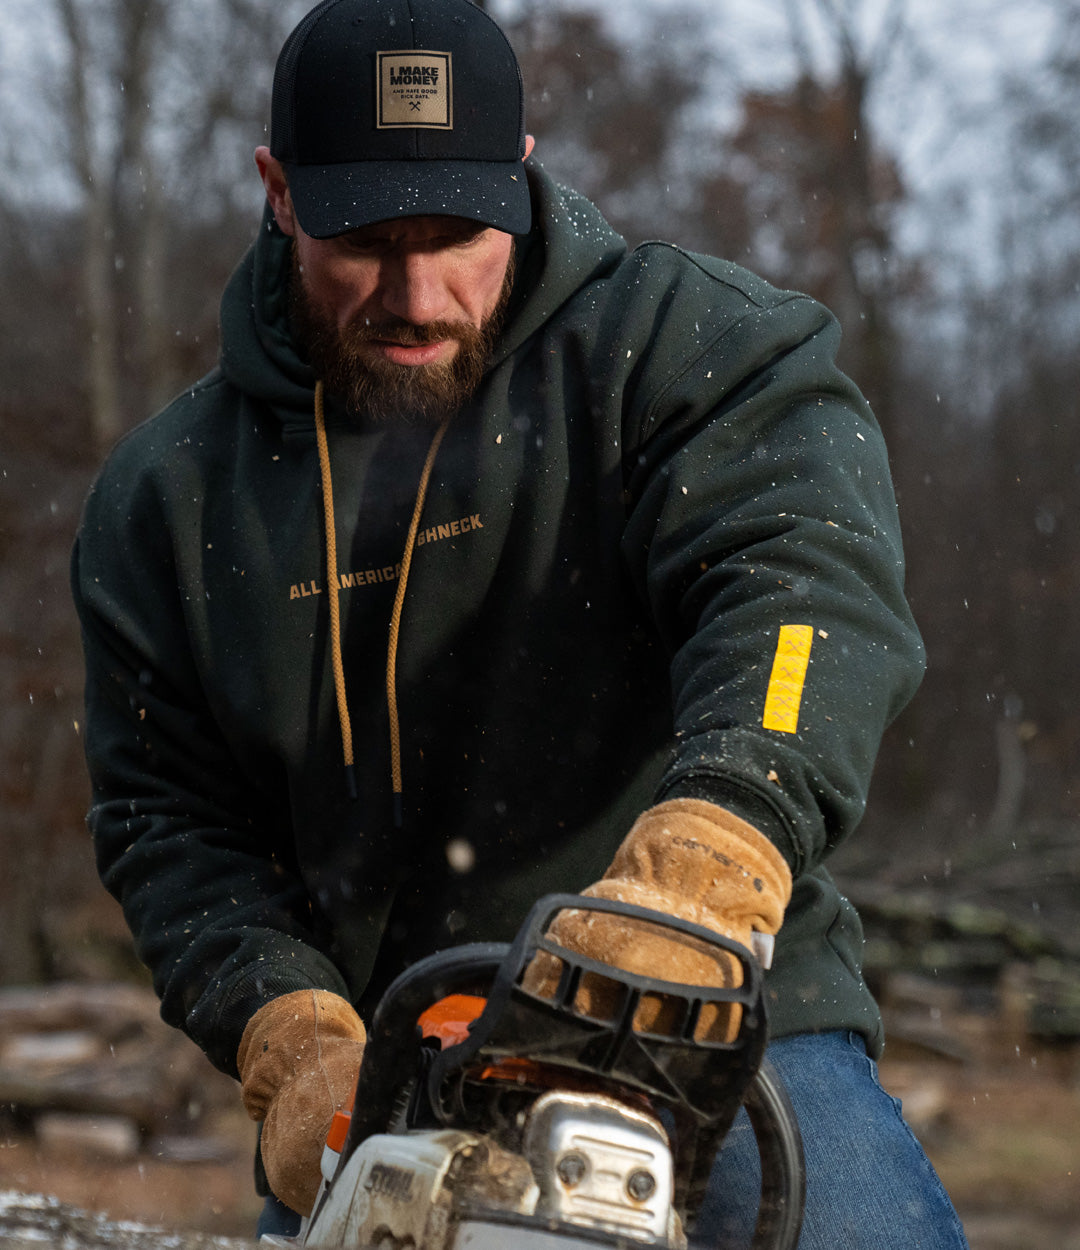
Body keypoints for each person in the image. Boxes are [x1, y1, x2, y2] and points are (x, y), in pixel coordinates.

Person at [70, 0, 968, 1245]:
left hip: (718, 1002)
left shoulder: (687, 351)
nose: (417, 294)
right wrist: (286, 1030)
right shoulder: (166, 501)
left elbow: (802, 597)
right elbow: (166, 822)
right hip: (393, 1067)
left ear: (523, 170)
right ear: (278, 192)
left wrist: (716, 850)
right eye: (366, 240)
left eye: (457, 235)